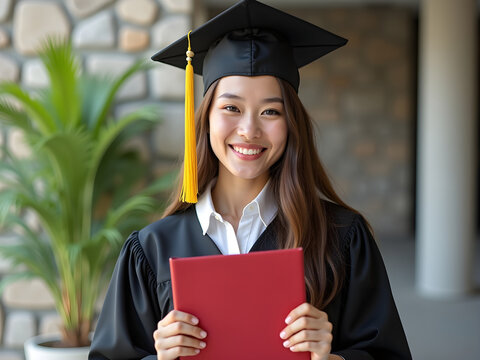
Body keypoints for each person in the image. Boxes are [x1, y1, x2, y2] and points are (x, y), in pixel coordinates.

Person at [88, 0, 412, 359]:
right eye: (231, 108)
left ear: (291, 125)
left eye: (271, 111)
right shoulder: (151, 251)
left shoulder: (341, 239)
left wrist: (332, 358)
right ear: (206, 117)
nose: (249, 130)